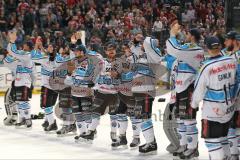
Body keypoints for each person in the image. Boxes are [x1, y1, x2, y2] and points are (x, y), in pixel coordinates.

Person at [191, 36, 237, 160]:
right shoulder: (232, 61)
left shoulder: (206, 66)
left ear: (207, 47)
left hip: (213, 111)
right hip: (229, 108)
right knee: (223, 138)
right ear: (220, 46)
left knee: (212, 141)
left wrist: (194, 104)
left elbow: (199, 90)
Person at [166, 16, 205, 159]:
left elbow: (174, 50)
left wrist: (172, 34)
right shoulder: (187, 49)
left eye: (188, 34)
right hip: (179, 89)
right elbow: (174, 52)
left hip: (189, 89)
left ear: (193, 37)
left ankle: (192, 148)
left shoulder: (196, 50)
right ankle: (183, 145)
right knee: (180, 120)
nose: (185, 36)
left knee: (189, 120)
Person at [64, 44, 103, 142]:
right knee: (77, 114)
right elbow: (67, 82)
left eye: (77, 51)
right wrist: (69, 73)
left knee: (87, 114)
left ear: (82, 52)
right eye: (75, 51)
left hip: (86, 92)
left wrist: (93, 85)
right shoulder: (73, 62)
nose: (75, 53)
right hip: (74, 93)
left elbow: (98, 73)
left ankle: (90, 133)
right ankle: (82, 133)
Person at [7, 31, 35, 128]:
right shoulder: (22, 54)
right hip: (18, 82)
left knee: (24, 101)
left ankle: (28, 119)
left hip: (25, 82)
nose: (23, 45)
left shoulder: (27, 55)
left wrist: (12, 41)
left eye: (25, 45)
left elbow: (14, 52)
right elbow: (12, 53)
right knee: (19, 102)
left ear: (28, 47)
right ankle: (22, 119)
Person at [31, 38, 58, 132]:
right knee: (50, 105)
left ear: (52, 49)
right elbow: (48, 53)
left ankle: (52, 123)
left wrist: (36, 45)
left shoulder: (45, 59)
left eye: (50, 47)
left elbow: (33, 56)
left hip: (47, 86)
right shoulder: (58, 57)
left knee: (46, 106)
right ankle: (47, 120)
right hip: (56, 86)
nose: (47, 48)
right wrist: (41, 47)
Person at [221, 31, 240, 160]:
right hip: (230, 97)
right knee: (232, 125)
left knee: (234, 124)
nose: (225, 42)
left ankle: (234, 153)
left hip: (236, 97)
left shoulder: (237, 56)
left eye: (227, 40)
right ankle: (233, 153)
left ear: (234, 41)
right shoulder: (227, 54)